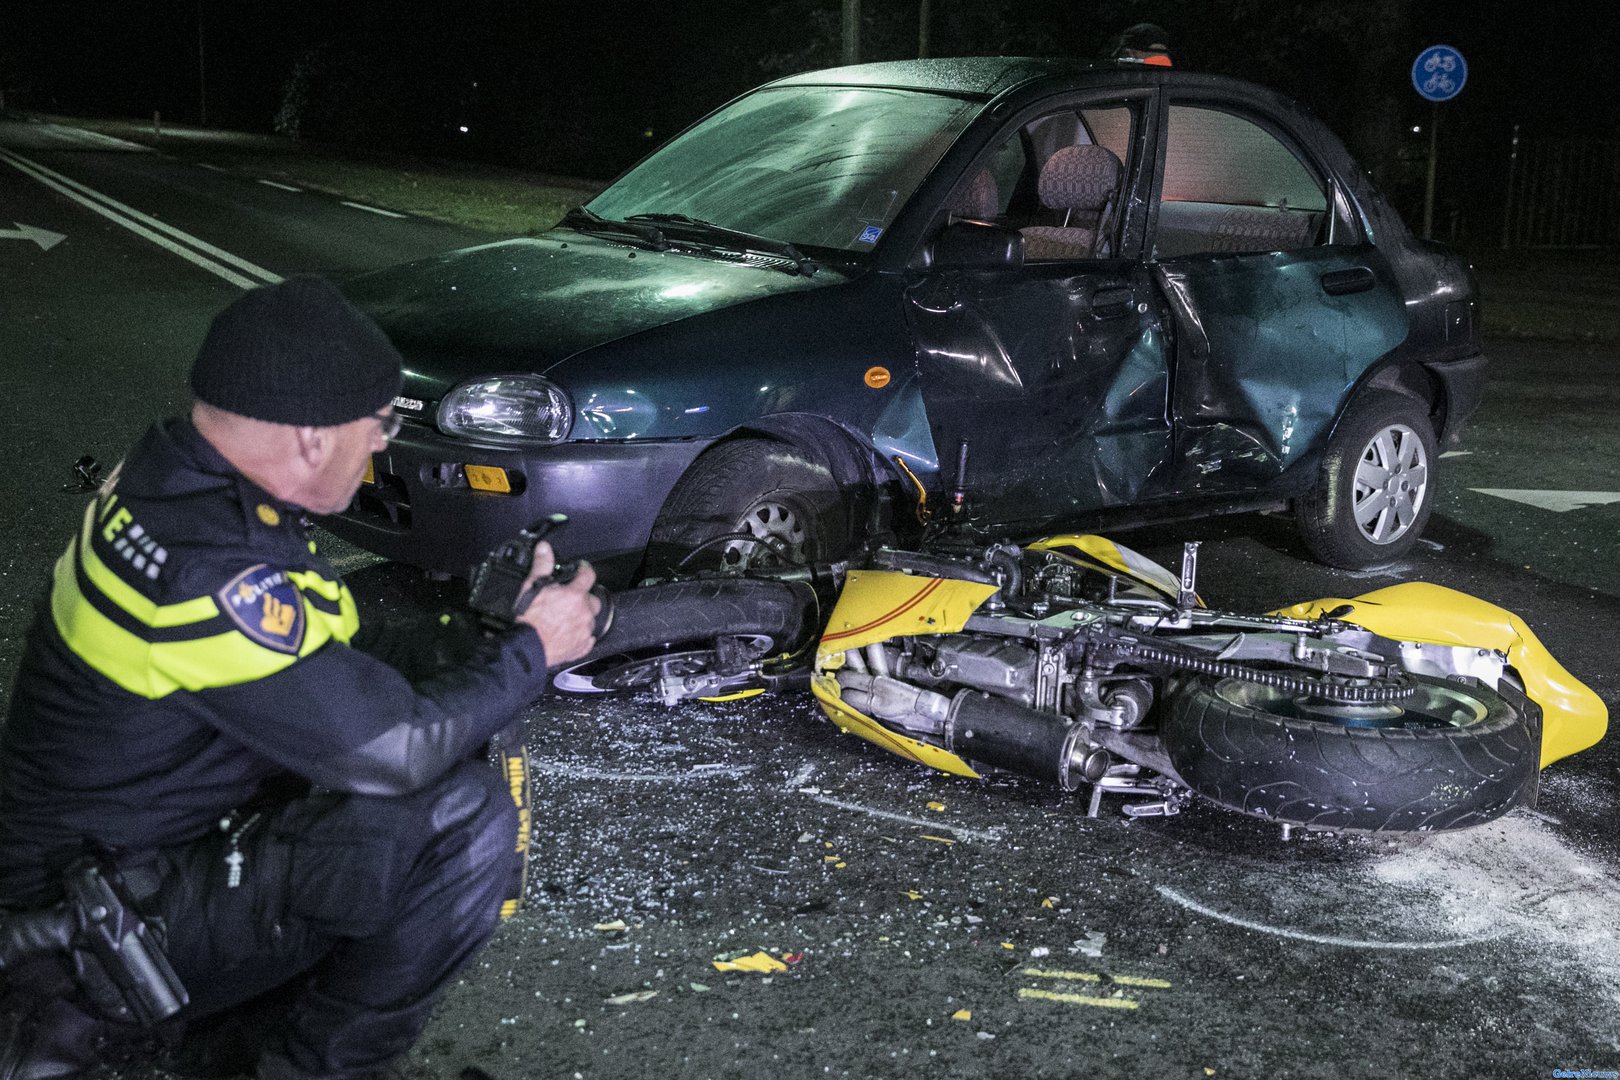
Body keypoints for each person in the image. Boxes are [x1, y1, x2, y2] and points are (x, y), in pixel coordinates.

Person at [0, 275, 603, 1079]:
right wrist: (532, 652)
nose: (382, 447)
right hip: (88, 932)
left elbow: (327, 655)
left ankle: (234, 1047)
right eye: (381, 424)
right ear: (315, 439)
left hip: (122, 860)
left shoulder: (180, 483)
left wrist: (479, 632)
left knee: (403, 776)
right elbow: (393, 751)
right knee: (459, 820)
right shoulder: (207, 568)